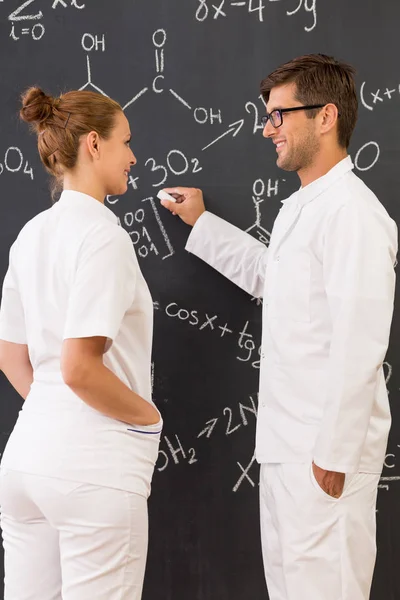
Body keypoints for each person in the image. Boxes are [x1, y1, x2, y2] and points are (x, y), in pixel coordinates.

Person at [160, 54, 398, 600]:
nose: (268, 130)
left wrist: (332, 457)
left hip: (322, 457)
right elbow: (274, 278)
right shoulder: (300, 208)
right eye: (268, 117)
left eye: (279, 116)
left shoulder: (353, 214)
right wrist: (202, 223)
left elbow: (360, 342)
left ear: (326, 116)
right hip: (286, 450)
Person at [0, 87, 162, 600]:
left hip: (26, 462)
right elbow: (79, 367)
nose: (133, 156)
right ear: (94, 144)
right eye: (126, 142)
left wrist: (55, 410)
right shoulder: (103, 236)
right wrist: (149, 420)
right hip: (94, 470)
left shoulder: (30, 234)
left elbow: (10, 357)